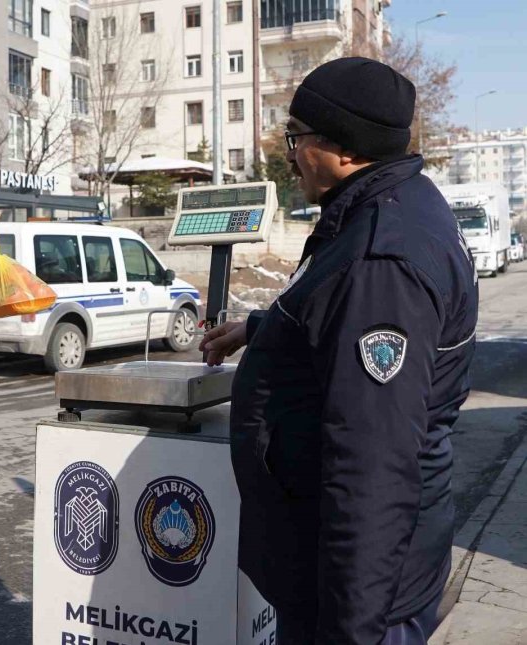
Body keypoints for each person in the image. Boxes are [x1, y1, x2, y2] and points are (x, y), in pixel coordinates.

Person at [201, 58, 478, 644]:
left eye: (296, 137)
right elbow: (335, 317)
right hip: (348, 572)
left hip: (359, 593)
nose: (290, 152)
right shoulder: (388, 207)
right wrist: (263, 328)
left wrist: (352, 628)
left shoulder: (381, 259)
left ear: (345, 150)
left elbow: (372, 463)